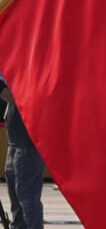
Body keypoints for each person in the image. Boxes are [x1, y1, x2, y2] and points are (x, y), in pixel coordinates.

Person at [2, 76, 44, 229]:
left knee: (27, 200)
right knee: (16, 202)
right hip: (13, 144)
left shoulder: (29, 74)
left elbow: (13, 98)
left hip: (27, 147)